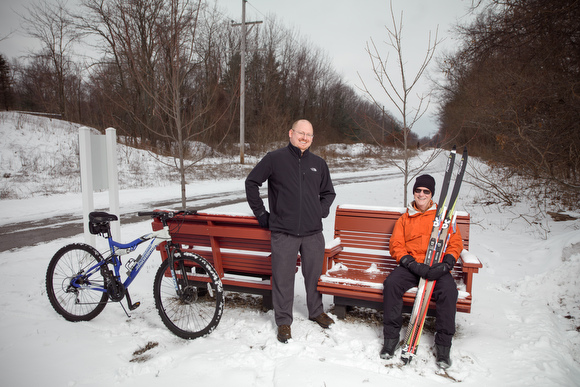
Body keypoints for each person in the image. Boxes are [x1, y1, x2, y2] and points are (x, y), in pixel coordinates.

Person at [245, 119, 337, 343]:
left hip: (313, 232)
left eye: (309, 135)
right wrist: (261, 214)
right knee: (283, 278)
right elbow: (251, 183)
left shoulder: (319, 163)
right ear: (291, 133)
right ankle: (283, 321)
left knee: (313, 276)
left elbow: (329, 193)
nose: (304, 138)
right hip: (283, 232)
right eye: (301, 133)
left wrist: (320, 211)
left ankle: (316, 311)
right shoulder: (274, 159)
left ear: (312, 138)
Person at [380, 174, 463, 369]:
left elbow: (455, 242)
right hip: (412, 267)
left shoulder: (443, 217)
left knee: (449, 292)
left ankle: (443, 347)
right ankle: (390, 340)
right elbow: (396, 245)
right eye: (418, 190)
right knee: (391, 284)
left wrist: (447, 263)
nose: (421, 194)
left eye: (426, 191)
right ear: (414, 193)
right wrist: (412, 264)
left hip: (436, 267)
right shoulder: (405, 218)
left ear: (431, 194)